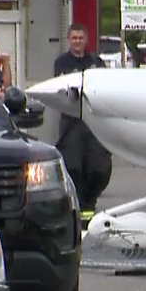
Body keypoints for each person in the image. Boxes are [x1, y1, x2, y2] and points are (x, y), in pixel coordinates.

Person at [53, 23, 112, 223]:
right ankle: (76, 207)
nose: (77, 41)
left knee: (98, 167)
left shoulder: (96, 62)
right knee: (74, 166)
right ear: (68, 40)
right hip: (72, 123)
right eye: (74, 38)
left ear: (86, 40)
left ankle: (89, 205)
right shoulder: (61, 63)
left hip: (93, 122)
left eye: (81, 38)